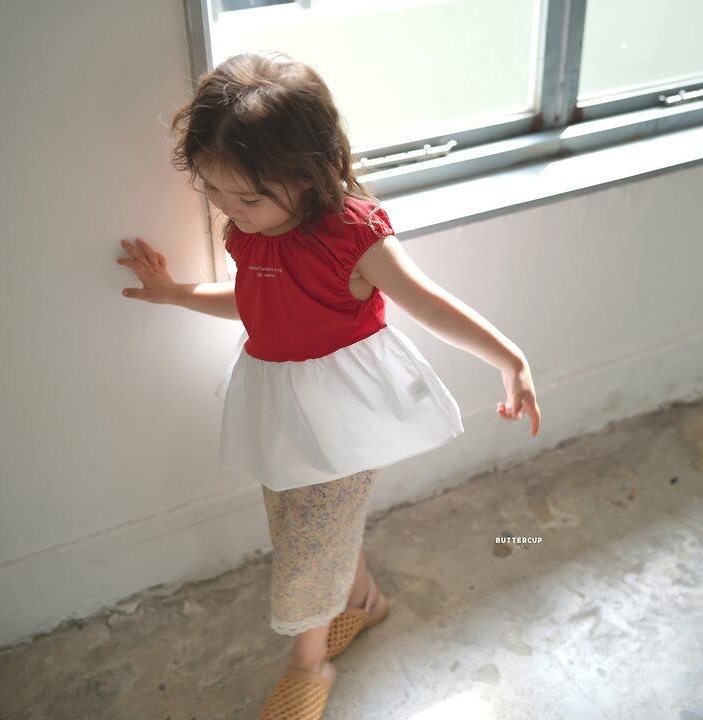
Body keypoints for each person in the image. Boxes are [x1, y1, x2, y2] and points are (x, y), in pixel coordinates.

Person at [116, 50, 541, 719]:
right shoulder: (251, 230)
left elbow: (428, 305)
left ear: (307, 172)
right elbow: (255, 301)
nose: (228, 209)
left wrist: (509, 358)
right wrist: (177, 293)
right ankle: (363, 602)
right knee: (307, 528)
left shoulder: (351, 235)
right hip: (277, 406)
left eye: (247, 197)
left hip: (341, 412)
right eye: (213, 190)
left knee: (308, 551)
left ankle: (308, 665)